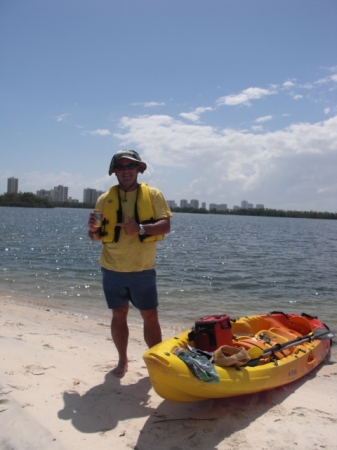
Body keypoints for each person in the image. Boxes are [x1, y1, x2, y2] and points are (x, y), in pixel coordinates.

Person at [87, 149, 172, 378]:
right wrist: (93, 230)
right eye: (121, 166)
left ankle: (155, 362)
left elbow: (166, 226)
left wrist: (140, 229)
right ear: (114, 171)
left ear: (138, 169)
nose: (126, 171)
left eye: (130, 166)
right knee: (118, 314)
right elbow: (95, 237)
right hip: (111, 269)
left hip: (142, 270)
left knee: (150, 316)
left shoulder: (153, 195)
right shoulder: (105, 200)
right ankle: (122, 361)